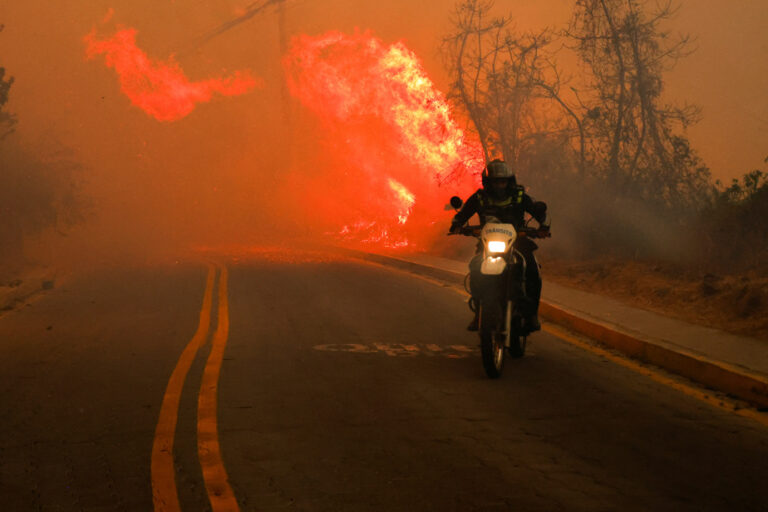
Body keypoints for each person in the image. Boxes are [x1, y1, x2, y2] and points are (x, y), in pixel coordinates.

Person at [450, 159, 550, 332]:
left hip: (518, 241)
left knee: (532, 269)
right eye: (496, 181)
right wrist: (457, 224)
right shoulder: (480, 197)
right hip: (488, 243)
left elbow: (538, 211)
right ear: (488, 182)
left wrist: (543, 226)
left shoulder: (520, 196)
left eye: (503, 181)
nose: (499, 185)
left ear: (509, 181)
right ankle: (479, 312)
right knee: (475, 266)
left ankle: (531, 314)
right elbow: (463, 213)